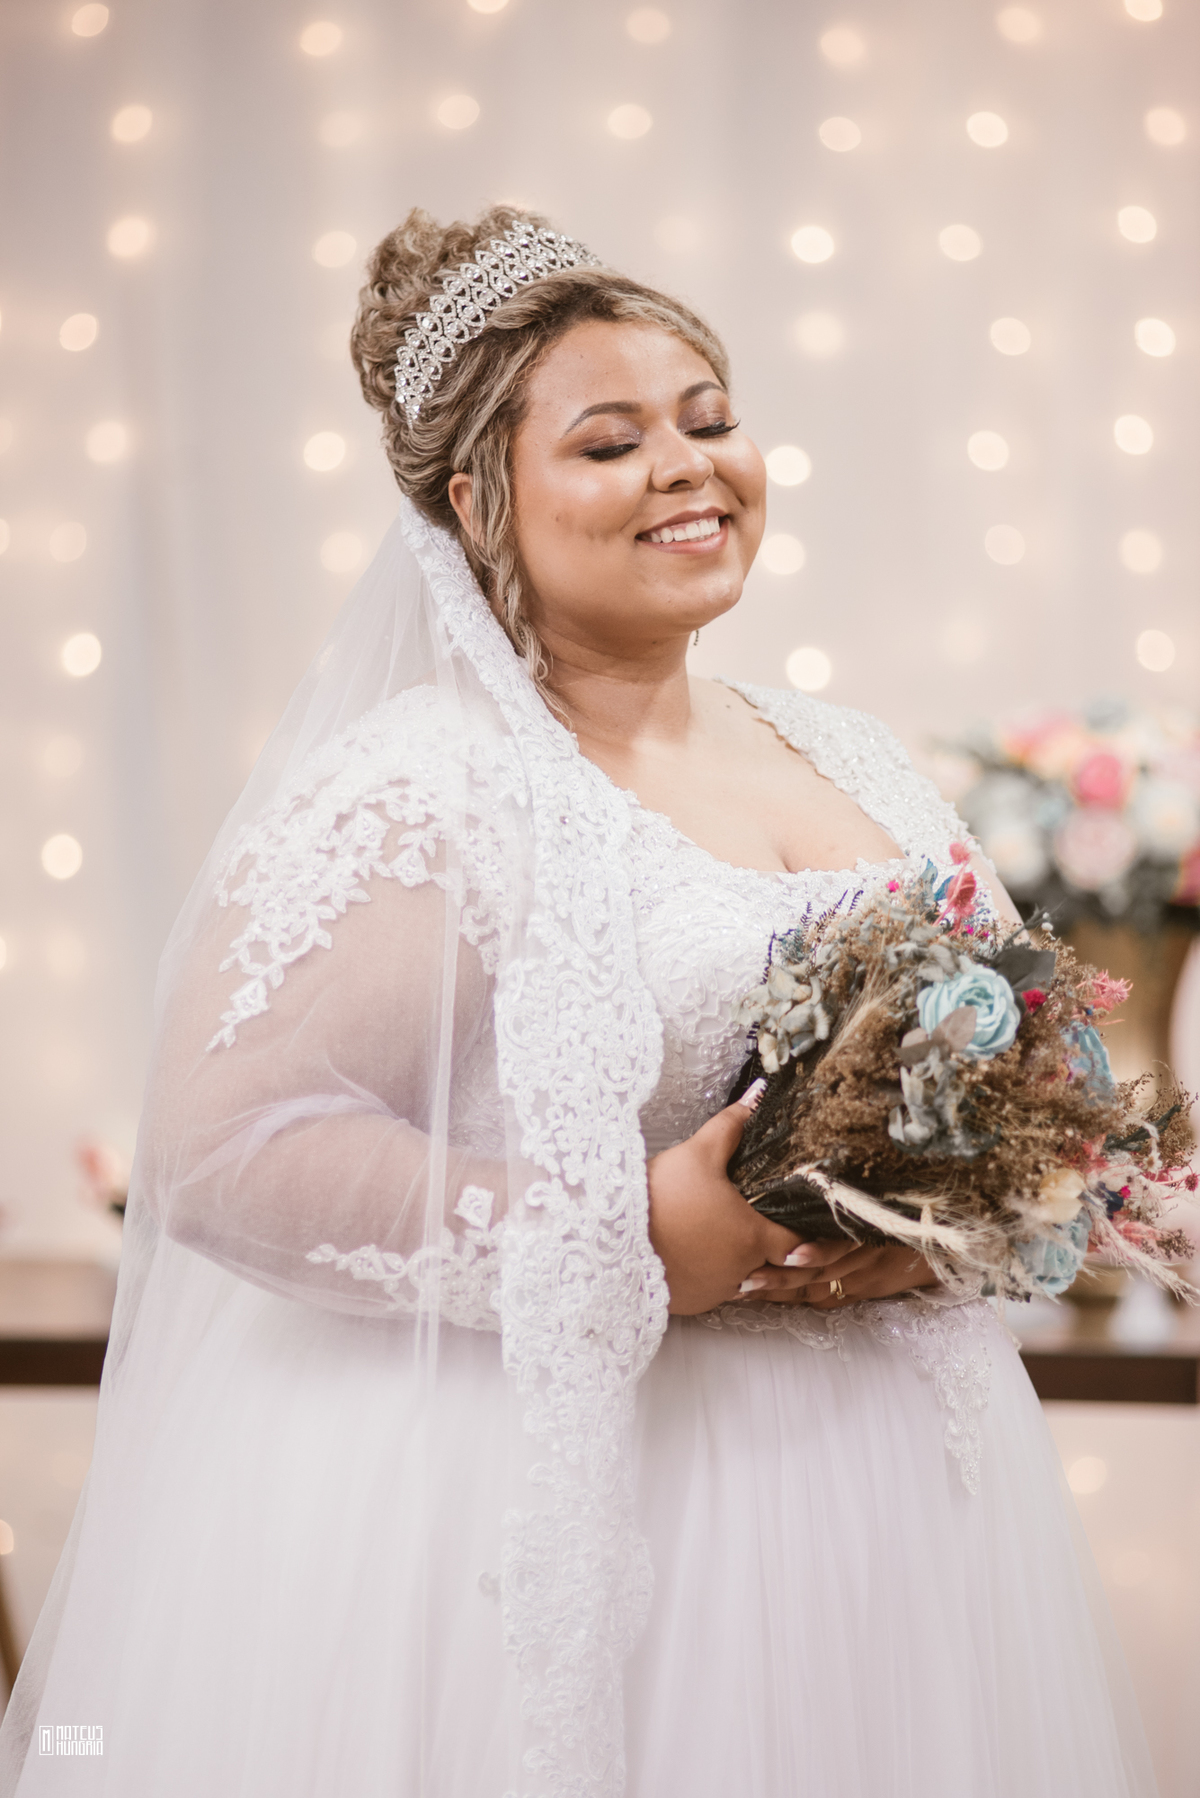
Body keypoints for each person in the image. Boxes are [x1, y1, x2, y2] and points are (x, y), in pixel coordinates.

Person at [0, 207, 1157, 1798]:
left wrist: (953, 1220)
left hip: (896, 1518)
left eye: (710, 420)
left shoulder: (852, 752)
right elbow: (222, 1145)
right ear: (476, 503)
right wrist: (625, 1231)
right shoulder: (430, 783)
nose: (688, 469)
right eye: (611, 443)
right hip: (568, 1504)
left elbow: (1032, 1056)